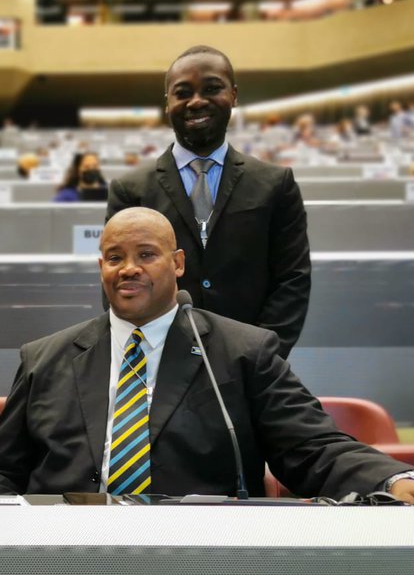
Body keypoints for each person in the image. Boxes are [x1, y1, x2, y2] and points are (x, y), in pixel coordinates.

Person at [0, 208, 414, 505]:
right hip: (63, 560)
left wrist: (394, 479)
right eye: (115, 257)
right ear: (101, 268)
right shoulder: (44, 358)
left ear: (177, 263)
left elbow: (312, 447)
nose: (129, 268)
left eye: (146, 254)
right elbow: (3, 473)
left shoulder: (243, 352)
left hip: (202, 564)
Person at [106, 45, 311, 358]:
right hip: (160, 366)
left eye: (212, 88)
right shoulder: (130, 189)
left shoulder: (275, 185)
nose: (197, 101)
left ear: (234, 95)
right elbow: (120, 283)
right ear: (168, 103)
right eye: (183, 92)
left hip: (253, 364)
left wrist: (262, 356)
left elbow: (291, 280)